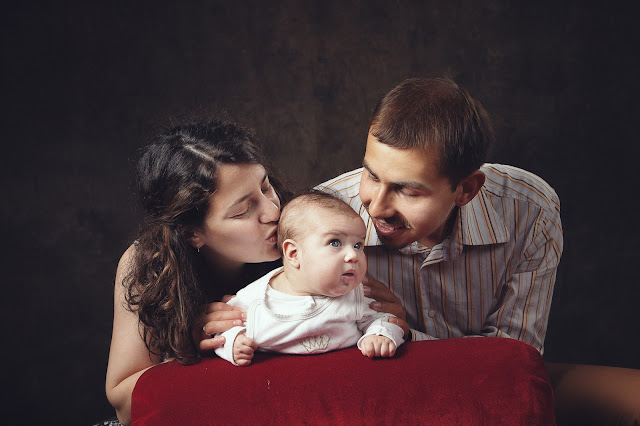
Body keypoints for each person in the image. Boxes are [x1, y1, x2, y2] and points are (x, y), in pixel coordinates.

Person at [316, 76, 563, 354]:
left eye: (408, 191)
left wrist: (405, 338)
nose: (376, 209)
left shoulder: (530, 213)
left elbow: (513, 359)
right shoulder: (319, 217)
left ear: (466, 190)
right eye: (372, 176)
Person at [105, 119, 291, 425]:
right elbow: (124, 404)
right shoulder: (147, 264)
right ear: (191, 234)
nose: (274, 211)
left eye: (265, 186)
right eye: (242, 211)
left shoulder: (307, 224)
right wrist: (189, 350)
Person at [214, 192, 405, 366]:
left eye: (358, 245)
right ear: (294, 253)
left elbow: (385, 320)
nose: (353, 255)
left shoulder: (355, 296)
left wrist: (380, 335)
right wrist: (234, 342)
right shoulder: (254, 301)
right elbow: (222, 331)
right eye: (335, 242)